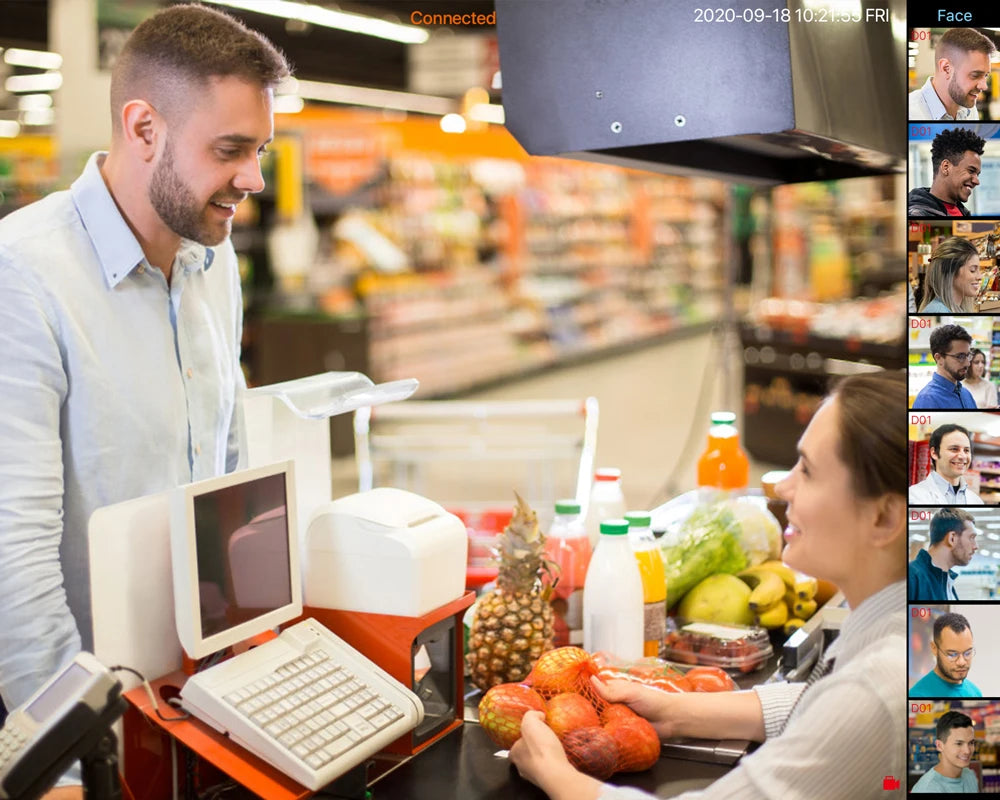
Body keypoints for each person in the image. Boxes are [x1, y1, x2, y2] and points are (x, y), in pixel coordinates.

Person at [0, 5, 289, 794]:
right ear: (143, 129)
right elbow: (13, 558)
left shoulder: (211, 260)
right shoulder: (23, 279)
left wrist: (243, 659)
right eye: (230, 150)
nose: (254, 179)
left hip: (191, 703)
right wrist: (81, 762)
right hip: (91, 729)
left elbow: (225, 468)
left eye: (260, 151)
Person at [510, 372, 907, 799]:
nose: (782, 486)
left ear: (884, 518)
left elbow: (854, 710)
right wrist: (677, 711)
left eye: (807, 471)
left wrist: (555, 773)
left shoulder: (878, 686)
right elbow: (826, 712)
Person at [909, 28, 995, 121]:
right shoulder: (910, 113)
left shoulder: (969, 110)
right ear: (946, 68)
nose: (984, 86)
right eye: (975, 75)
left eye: (986, 75)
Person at [907, 127, 985, 217]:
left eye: (977, 174)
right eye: (971, 171)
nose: (977, 181)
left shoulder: (963, 212)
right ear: (946, 167)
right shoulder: (917, 216)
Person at [908, 508, 977, 601]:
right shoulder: (911, 577)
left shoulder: (947, 582)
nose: (976, 546)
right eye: (971, 537)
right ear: (952, 538)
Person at [910, 613, 982, 697]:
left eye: (967, 653)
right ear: (934, 649)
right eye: (952, 654)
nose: (961, 662)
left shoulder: (975, 693)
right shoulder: (917, 695)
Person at [910, 424, 984, 504]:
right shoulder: (913, 496)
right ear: (934, 453)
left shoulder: (976, 500)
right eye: (954, 449)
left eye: (966, 450)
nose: (962, 456)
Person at [911, 324, 977, 409]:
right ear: (939, 358)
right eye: (960, 356)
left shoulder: (966, 394)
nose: (967, 363)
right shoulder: (927, 399)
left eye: (968, 356)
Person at [911, 711, 980, 793]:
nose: (967, 751)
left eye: (971, 743)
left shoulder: (970, 776)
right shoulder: (928, 789)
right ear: (939, 746)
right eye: (959, 743)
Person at [918, 236, 981, 313]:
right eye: (972, 270)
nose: (979, 277)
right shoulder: (938, 311)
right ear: (951, 271)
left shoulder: (953, 309)